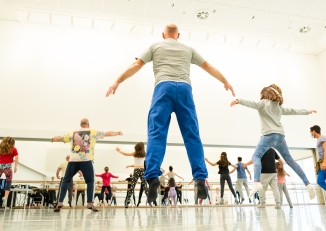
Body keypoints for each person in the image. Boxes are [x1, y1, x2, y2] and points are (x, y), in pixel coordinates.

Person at [106, 23, 235, 203]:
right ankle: (199, 178)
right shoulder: (188, 48)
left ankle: (152, 177)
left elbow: (136, 65)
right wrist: (225, 81)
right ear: (178, 35)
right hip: (184, 90)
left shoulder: (155, 46)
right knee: (192, 136)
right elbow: (208, 66)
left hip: (163, 88)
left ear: (163, 34)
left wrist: (117, 82)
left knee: (156, 133)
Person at [231, 84, 316, 199]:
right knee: (290, 160)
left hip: (267, 136)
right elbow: (292, 111)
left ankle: (256, 182)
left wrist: (238, 100)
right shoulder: (278, 107)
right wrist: (307, 111)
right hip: (280, 137)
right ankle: (308, 184)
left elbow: (251, 103)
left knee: (256, 156)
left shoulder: (263, 103)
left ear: (265, 94)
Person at [50, 118, 123, 212]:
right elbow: (107, 133)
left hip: (73, 160)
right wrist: (117, 133)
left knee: (66, 180)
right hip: (86, 160)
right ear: (88, 124)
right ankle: (90, 203)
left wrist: (53, 139)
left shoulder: (72, 132)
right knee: (90, 181)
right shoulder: (93, 132)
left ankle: (60, 202)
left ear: (80, 125)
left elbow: (60, 138)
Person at [115, 142, 148, 208]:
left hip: (136, 170)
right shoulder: (145, 154)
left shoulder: (134, 153)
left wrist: (119, 150)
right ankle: (149, 200)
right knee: (145, 186)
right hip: (142, 170)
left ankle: (127, 201)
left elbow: (125, 154)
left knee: (132, 187)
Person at [0, 137, 18, 208]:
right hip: (8, 166)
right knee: (8, 181)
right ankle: (5, 197)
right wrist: (15, 166)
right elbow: (17, 157)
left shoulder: (1, 148)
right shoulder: (13, 149)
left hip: (0, 165)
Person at [310, 125, 326, 190]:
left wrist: (324, 163)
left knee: (320, 181)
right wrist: (318, 164)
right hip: (321, 162)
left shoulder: (322, 138)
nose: (311, 134)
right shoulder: (319, 139)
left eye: (311, 132)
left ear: (314, 131)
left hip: (324, 162)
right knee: (320, 181)